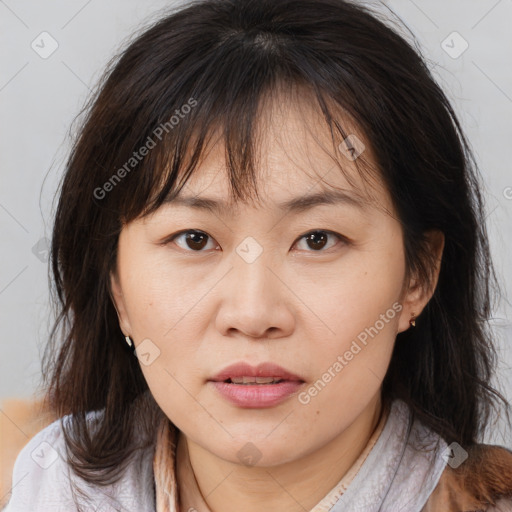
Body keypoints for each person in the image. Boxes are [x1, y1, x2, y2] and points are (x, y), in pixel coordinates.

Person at [4, 0, 512, 510]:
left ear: (417, 276)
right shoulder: (48, 487)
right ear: (116, 283)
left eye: (317, 239)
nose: (252, 314)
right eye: (195, 239)